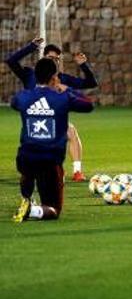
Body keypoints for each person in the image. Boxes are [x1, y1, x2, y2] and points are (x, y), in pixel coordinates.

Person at [11, 58, 94, 222]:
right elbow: (89, 105)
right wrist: (68, 90)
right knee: (53, 210)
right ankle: (33, 210)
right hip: (50, 160)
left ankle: (26, 197)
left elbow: (15, 103)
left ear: (36, 76)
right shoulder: (62, 97)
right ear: (54, 77)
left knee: (27, 167)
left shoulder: (23, 96)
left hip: (26, 157)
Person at [6, 37, 97, 181]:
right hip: (35, 121)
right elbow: (11, 61)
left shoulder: (62, 79)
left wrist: (84, 65)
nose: (54, 61)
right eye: (50, 58)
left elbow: (91, 83)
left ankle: (77, 172)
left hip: (54, 122)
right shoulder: (30, 75)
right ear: (43, 58)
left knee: (71, 131)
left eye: (57, 59)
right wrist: (31, 47)